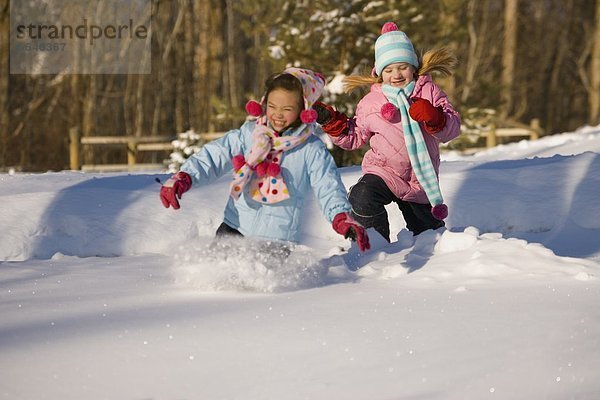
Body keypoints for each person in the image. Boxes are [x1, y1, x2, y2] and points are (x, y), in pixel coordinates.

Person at [159, 67, 370, 253]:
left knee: (256, 291)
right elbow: (215, 155)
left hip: (277, 239)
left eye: (287, 109)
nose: (277, 114)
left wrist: (341, 217)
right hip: (235, 225)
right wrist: (185, 176)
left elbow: (328, 186)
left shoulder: (310, 149)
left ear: (304, 111)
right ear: (263, 103)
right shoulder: (250, 134)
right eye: (272, 106)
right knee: (217, 283)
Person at [314, 22, 461, 242]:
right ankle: (374, 247)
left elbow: (452, 129)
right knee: (362, 196)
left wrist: (435, 117)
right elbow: (354, 136)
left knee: (431, 239)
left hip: (420, 179)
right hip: (384, 171)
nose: (397, 74)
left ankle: (430, 256)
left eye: (402, 66)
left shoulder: (429, 91)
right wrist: (333, 123)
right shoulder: (371, 102)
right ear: (380, 72)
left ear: (413, 66)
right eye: (389, 69)